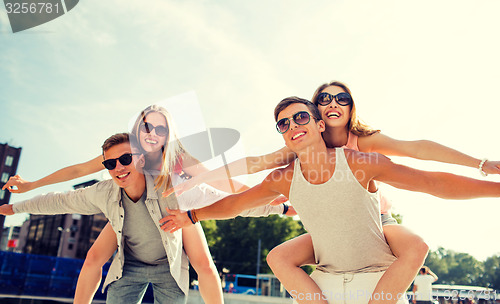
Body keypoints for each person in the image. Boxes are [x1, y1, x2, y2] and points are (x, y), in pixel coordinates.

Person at [163, 81, 500, 304]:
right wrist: (193, 201)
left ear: (325, 120)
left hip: (375, 223)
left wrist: (482, 166)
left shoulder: (364, 150)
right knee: (278, 256)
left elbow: (423, 165)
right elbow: (244, 184)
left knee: (415, 244)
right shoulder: (289, 163)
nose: (294, 125)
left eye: (342, 98)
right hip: (326, 231)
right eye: (285, 123)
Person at [2, 105, 291, 304]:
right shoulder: (123, 150)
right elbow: (78, 172)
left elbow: (218, 185)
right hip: (129, 209)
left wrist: (268, 197)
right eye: (147, 127)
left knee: (203, 263)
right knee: (93, 256)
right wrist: (31, 185)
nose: (152, 134)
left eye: (160, 130)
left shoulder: (178, 157)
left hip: (175, 206)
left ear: (169, 135)